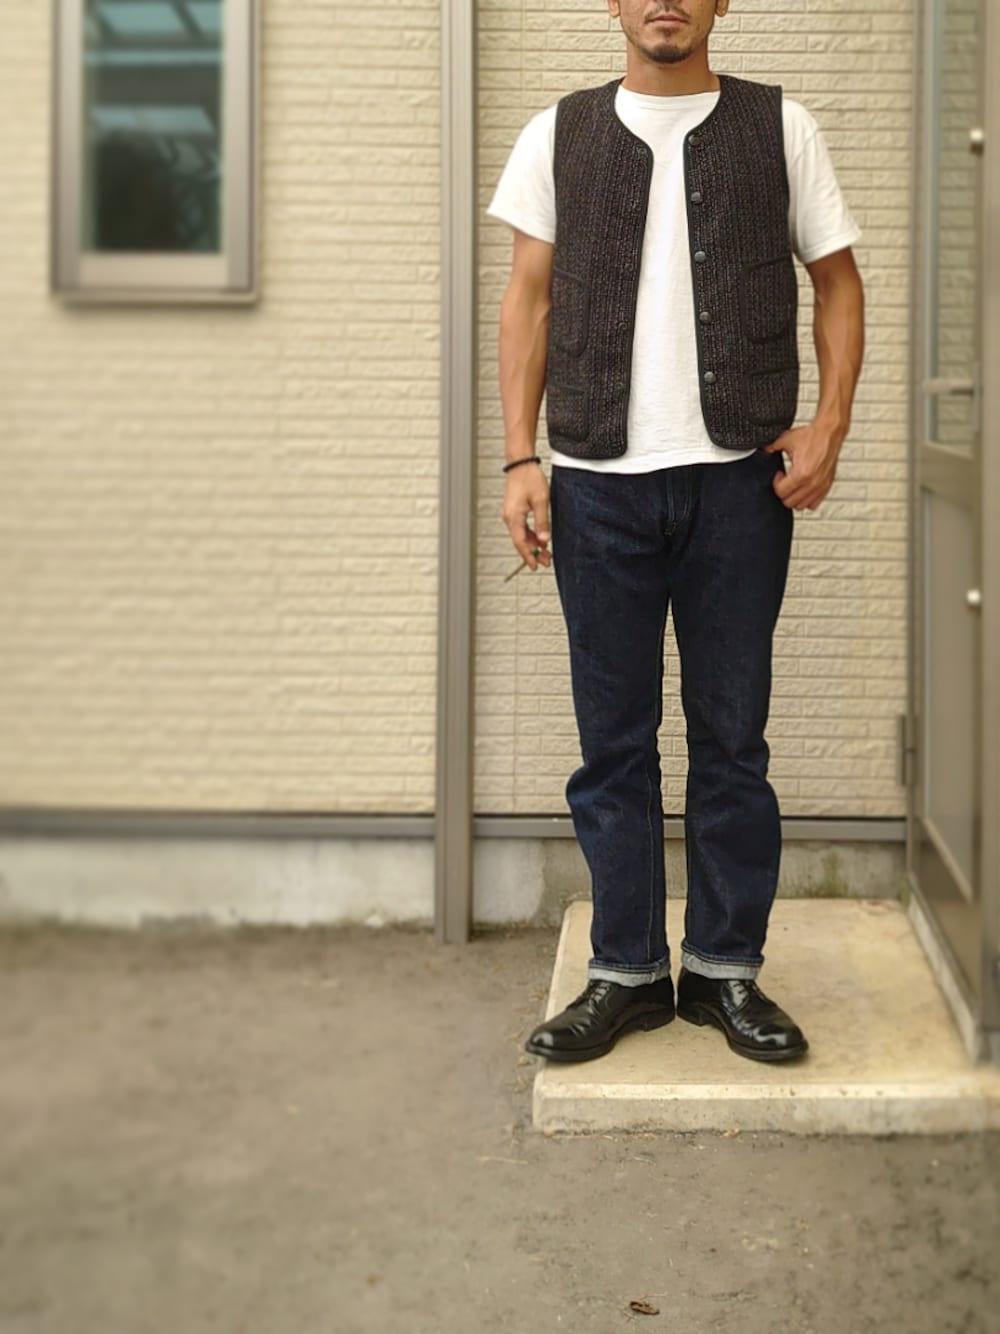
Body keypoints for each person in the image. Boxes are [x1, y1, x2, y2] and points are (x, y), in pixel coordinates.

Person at [487, 0, 865, 1064]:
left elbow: (837, 283)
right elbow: (528, 297)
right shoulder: (557, 131)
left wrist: (829, 425)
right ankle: (626, 972)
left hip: (739, 484)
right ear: (612, 3)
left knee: (731, 740)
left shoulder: (779, 125)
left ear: (720, 2)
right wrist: (519, 458)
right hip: (596, 485)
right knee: (612, 745)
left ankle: (724, 968)